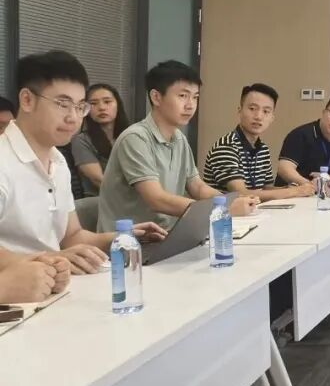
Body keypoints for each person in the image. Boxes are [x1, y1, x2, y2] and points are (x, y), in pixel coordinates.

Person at [0, 51, 165, 277]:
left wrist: (122, 238)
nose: (73, 118)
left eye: (80, 107)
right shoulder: (4, 161)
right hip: (18, 291)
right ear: (27, 100)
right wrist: (51, 259)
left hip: (56, 282)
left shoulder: (58, 162)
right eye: (62, 104)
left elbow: (72, 236)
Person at [98, 60, 258, 233]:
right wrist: (220, 209)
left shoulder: (179, 138)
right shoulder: (135, 138)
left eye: (195, 97)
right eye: (183, 96)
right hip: (129, 242)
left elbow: (197, 187)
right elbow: (156, 199)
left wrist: (229, 201)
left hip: (167, 235)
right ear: (156, 97)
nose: (190, 105)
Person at [204, 83, 314, 201]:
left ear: (272, 118)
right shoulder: (226, 146)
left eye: (266, 111)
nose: (258, 116)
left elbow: (265, 189)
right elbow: (240, 194)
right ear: (240, 111)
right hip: (226, 212)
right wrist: (294, 191)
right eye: (252, 109)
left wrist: (290, 188)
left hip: (254, 211)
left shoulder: (263, 149)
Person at [276, 93, 330, 186]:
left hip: (321, 191)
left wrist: (325, 180)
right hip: (293, 191)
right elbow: (284, 168)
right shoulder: (300, 134)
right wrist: (309, 185)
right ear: (323, 112)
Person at [71, 83, 130, 197]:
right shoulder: (81, 140)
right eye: (93, 103)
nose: (102, 107)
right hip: (100, 198)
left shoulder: (131, 136)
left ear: (118, 105)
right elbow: (98, 180)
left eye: (107, 102)